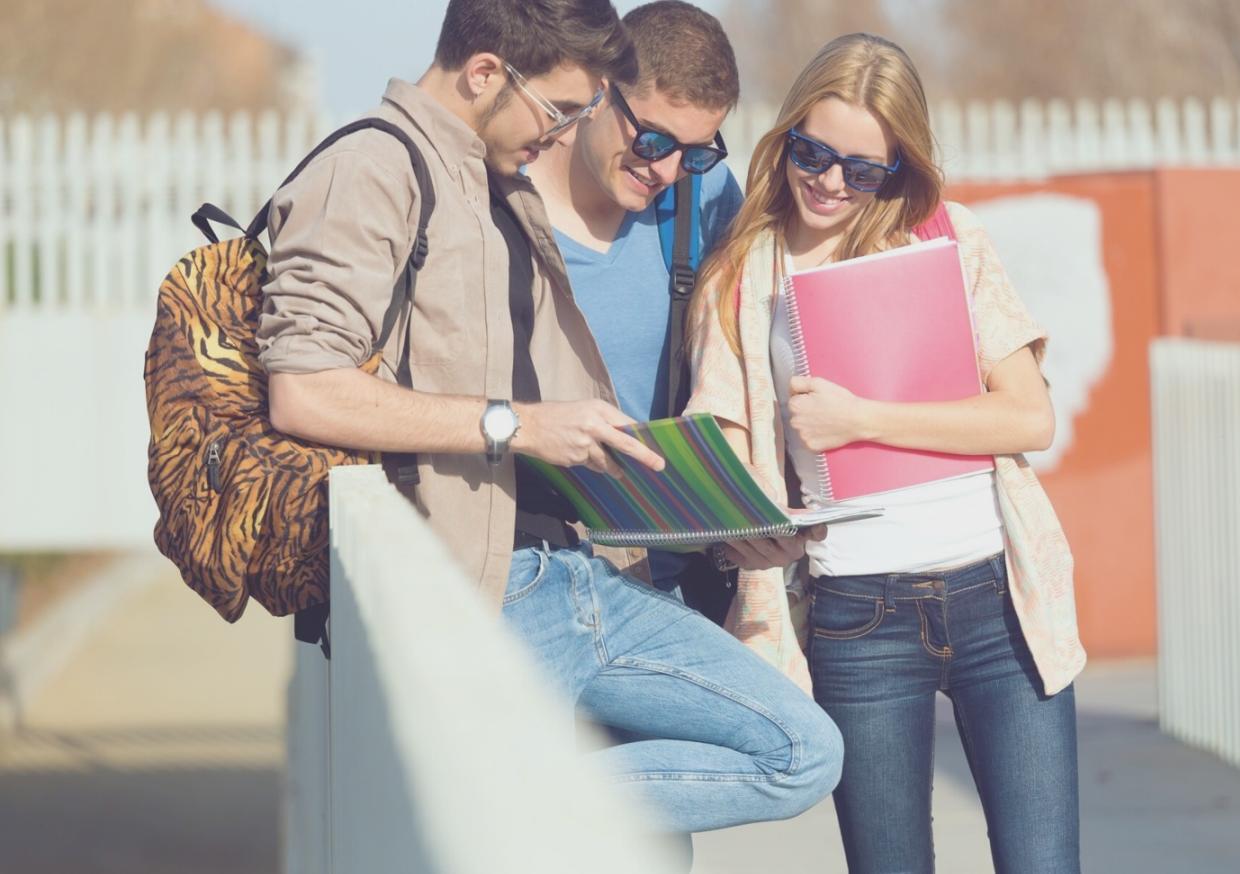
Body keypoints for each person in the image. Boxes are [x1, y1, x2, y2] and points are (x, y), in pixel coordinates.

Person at [258, 0, 841, 838]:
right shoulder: (377, 168)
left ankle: (523, 790)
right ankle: (517, 792)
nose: (560, 132)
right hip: (491, 588)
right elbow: (304, 388)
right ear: (488, 73)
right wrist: (517, 427)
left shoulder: (490, 180)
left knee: (804, 751)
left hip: (602, 574)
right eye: (561, 110)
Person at [687, 33, 1086, 874]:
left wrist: (863, 417)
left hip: (997, 601)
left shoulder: (946, 237)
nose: (830, 182)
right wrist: (751, 529)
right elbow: (722, 446)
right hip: (856, 617)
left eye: (863, 169)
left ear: (899, 168)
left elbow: (1027, 417)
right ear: (786, 137)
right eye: (813, 153)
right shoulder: (740, 273)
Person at [530, 0, 815, 670]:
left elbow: (758, 361)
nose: (666, 171)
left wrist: (755, 515)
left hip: (676, 588)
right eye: (654, 141)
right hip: (542, 580)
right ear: (599, 90)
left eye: (696, 150)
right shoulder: (504, 204)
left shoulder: (704, 195)